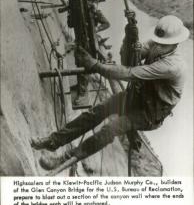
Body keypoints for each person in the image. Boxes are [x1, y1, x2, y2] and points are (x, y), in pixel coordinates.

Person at [31, 15, 189, 170]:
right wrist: (129, 37)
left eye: (163, 44)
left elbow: (130, 73)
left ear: (175, 43)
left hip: (149, 113)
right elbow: (127, 60)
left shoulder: (173, 66)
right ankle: (53, 141)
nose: (158, 45)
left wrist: (96, 66)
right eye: (158, 42)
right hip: (137, 96)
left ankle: (63, 159)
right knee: (96, 112)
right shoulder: (156, 44)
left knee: (112, 128)